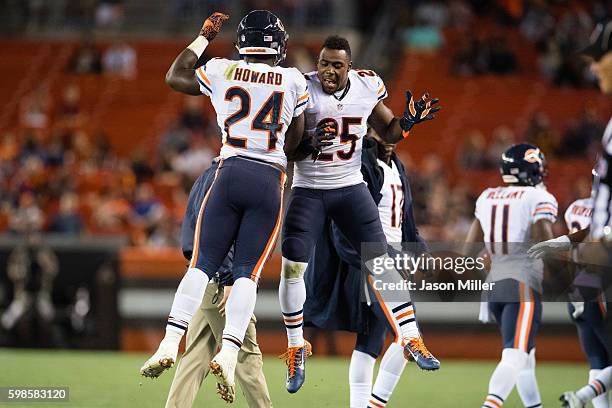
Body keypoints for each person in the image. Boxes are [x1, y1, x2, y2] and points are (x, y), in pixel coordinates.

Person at [140, 10, 308, 404]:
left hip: (228, 170)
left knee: (200, 265)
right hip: (268, 179)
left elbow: (175, 75)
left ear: (241, 41)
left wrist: (202, 38)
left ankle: (168, 341)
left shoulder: (221, 69)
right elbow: (296, 142)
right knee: (248, 274)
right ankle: (230, 353)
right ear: (279, 45)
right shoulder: (294, 79)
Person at [278, 35, 440, 393]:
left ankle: (411, 336)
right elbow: (289, 150)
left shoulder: (368, 85)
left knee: (382, 262)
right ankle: (294, 346)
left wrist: (408, 122)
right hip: (309, 191)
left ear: (349, 66)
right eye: (323, 63)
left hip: (351, 188)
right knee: (292, 267)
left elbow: (389, 130)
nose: (328, 71)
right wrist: (308, 142)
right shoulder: (302, 87)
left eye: (336, 64)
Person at [304, 130, 428, 408]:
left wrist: (417, 254)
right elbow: (343, 221)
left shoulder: (396, 164)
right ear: (369, 130)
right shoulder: (361, 164)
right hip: (375, 261)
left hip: (394, 259)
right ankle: (374, 405)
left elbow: (406, 218)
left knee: (370, 343)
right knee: (408, 335)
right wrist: (371, 262)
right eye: (384, 128)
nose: (391, 135)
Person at [526, 20, 612, 408]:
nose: (594, 68)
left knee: (597, 359)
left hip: (593, 280)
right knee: (596, 358)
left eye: (601, 58)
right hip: (593, 280)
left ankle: (581, 397)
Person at [163, 159, 272, 407]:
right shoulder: (227, 179)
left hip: (202, 277)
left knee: (195, 356)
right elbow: (221, 235)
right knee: (247, 358)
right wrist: (229, 277)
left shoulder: (206, 177)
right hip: (223, 282)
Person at [464, 143, 556, 408]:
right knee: (515, 356)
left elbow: (467, 250)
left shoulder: (487, 196)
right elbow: (543, 242)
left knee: (526, 356)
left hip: (494, 287)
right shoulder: (538, 198)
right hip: (521, 285)